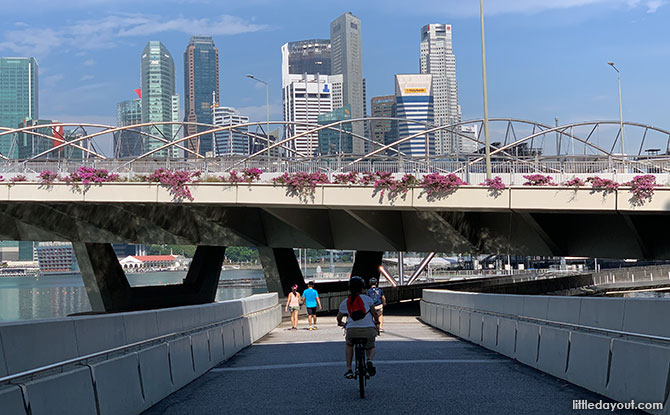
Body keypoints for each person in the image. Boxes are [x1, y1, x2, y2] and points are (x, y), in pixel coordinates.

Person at [337, 276, 379, 379]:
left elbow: (339, 318)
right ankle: (369, 359)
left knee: (349, 344)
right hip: (368, 329)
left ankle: (349, 369)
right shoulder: (368, 299)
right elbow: (374, 314)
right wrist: (376, 323)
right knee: (371, 346)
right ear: (362, 288)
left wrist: (342, 324)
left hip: (352, 330)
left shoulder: (345, 302)